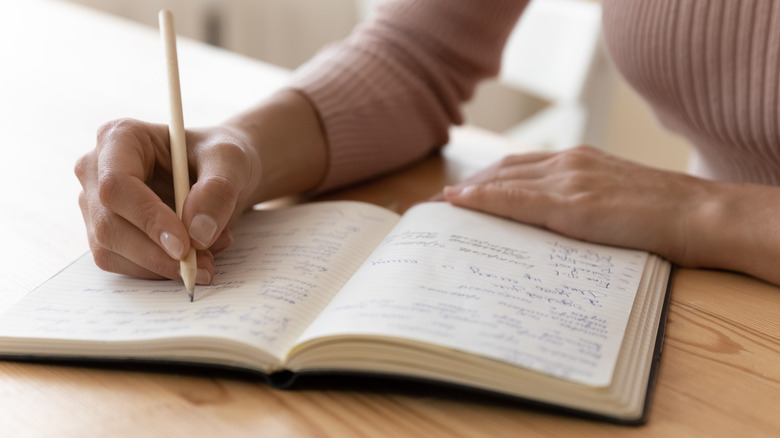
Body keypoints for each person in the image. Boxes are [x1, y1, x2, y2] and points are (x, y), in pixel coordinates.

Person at [74, 0, 780, 288]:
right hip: (711, 293)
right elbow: (419, 53)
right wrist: (236, 151)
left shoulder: (696, 217)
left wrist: (711, 213)